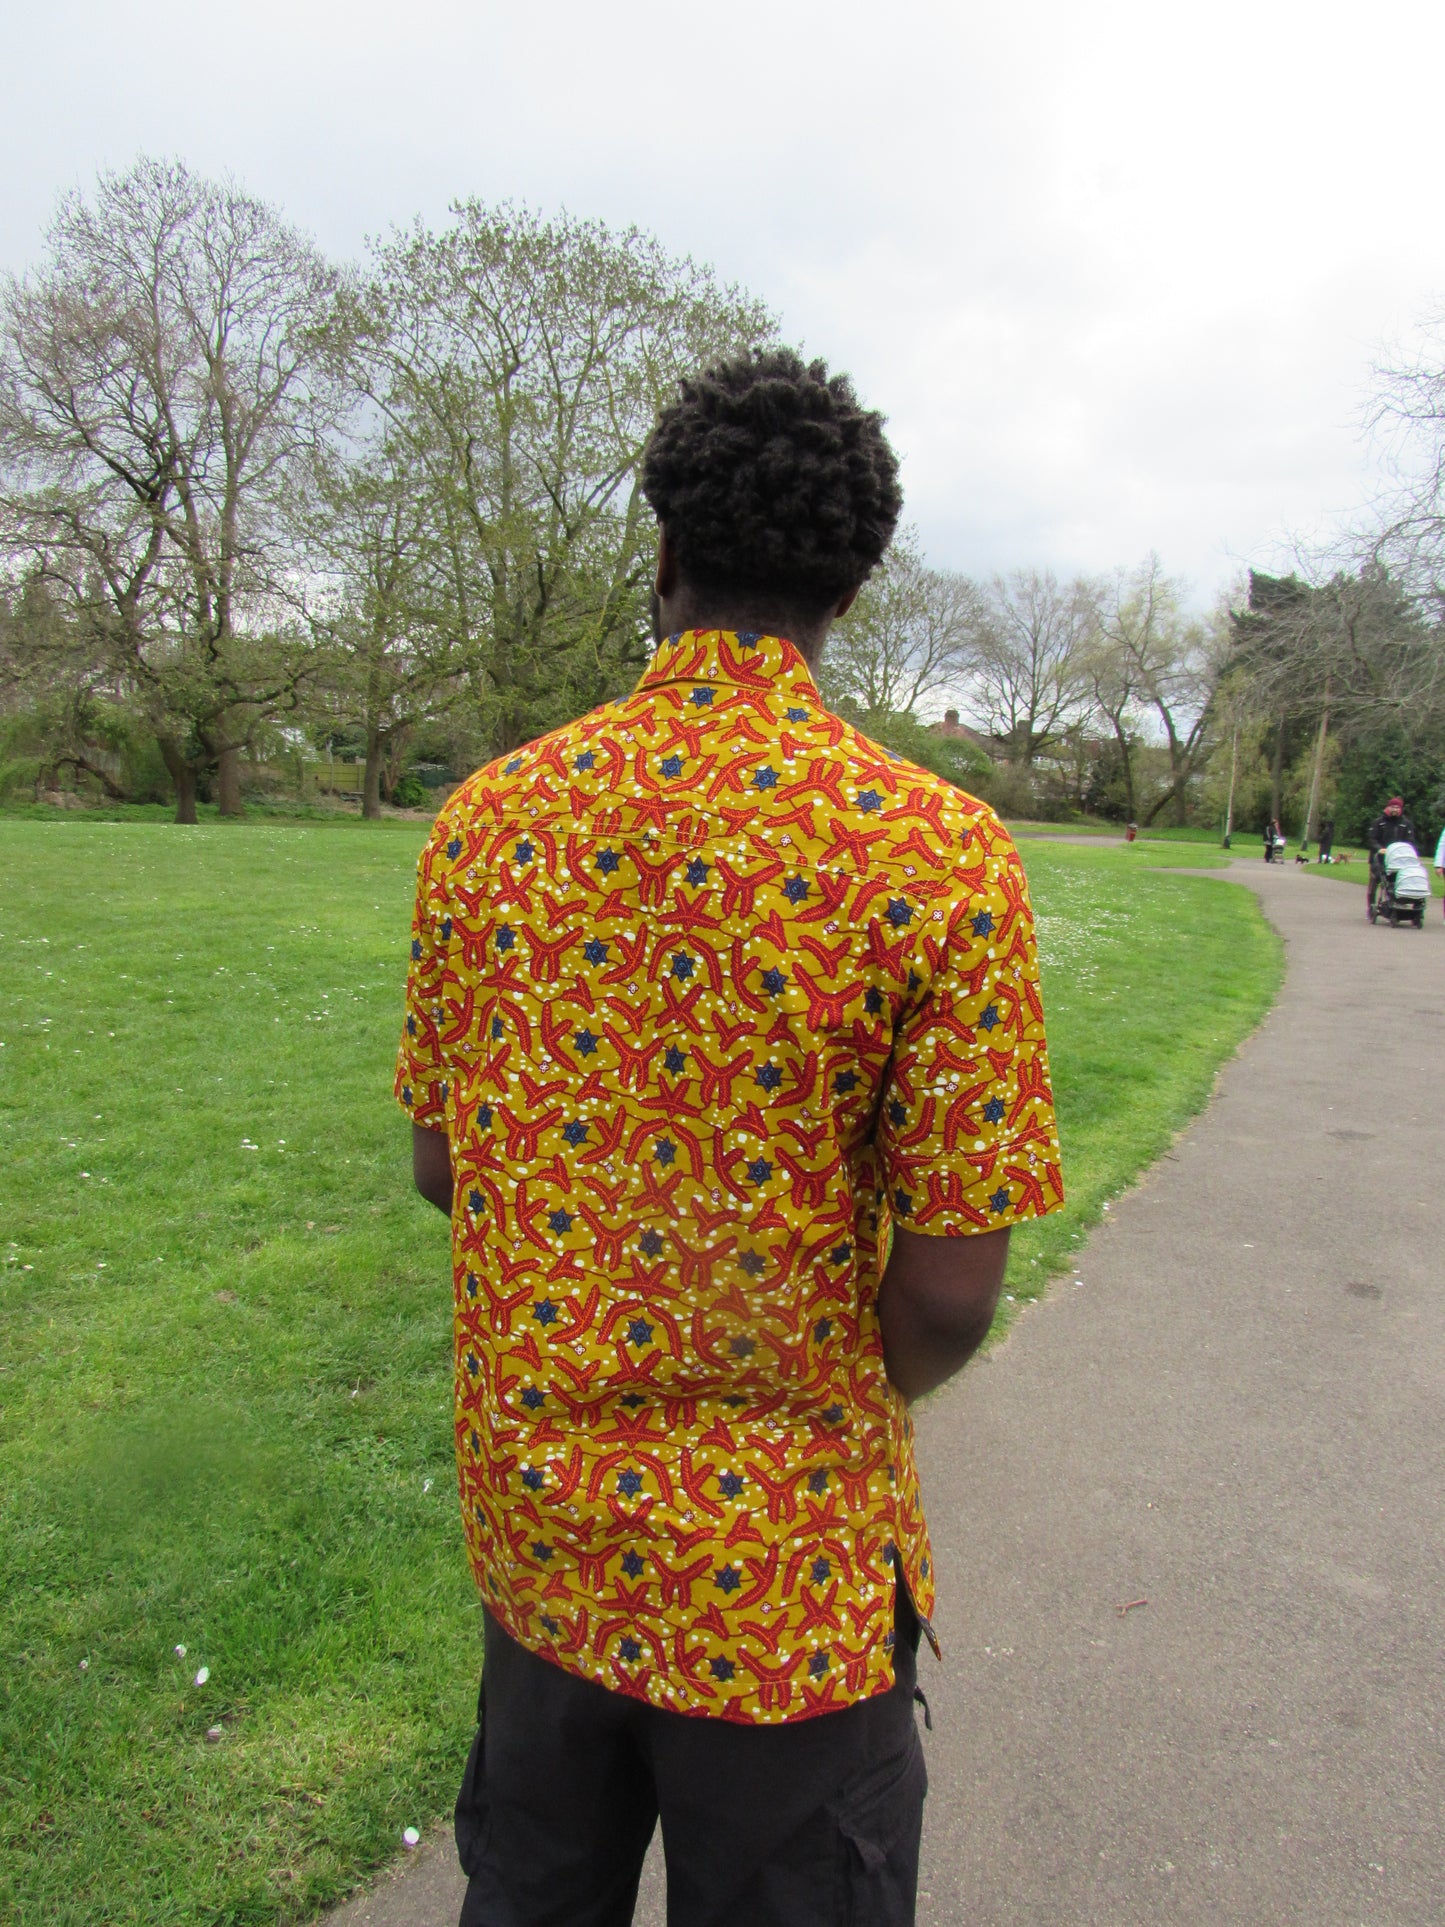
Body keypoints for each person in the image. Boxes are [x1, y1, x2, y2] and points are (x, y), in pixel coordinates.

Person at [395, 348, 1065, 1927]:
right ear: (849, 587)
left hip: (547, 1545)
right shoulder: (935, 853)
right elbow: (953, 1292)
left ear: (665, 555)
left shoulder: (490, 820)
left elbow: (445, 1164)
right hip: (790, 1587)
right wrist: (805, 1386)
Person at [1367, 796, 1417, 918]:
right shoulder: (1379, 823)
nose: (1395, 809)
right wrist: (1380, 848)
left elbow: (1410, 840)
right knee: (1375, 882)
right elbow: (1372, 839)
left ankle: (1398, 904)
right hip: (1380, 859)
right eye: (1393, 807)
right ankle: (1371, 907)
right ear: (1388, 808)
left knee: (1398, 882)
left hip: (1399, 860)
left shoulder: (1406, 824)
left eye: (1397, 807)